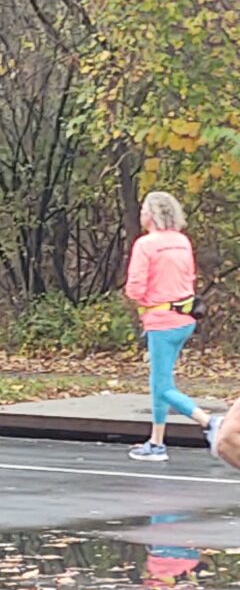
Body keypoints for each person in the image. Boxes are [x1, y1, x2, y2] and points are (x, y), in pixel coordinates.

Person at [124, 191, 216, 461]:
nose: (141, 214)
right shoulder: (182, 242)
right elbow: (189, 276)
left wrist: (143, 297)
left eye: (143, 209)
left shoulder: (146, 245)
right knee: (160, 380)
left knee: (162, 387)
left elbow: (135, 287)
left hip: (160, 320)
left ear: (151, 214)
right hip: (185, 319)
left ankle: (211, 424)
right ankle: (156, 441)